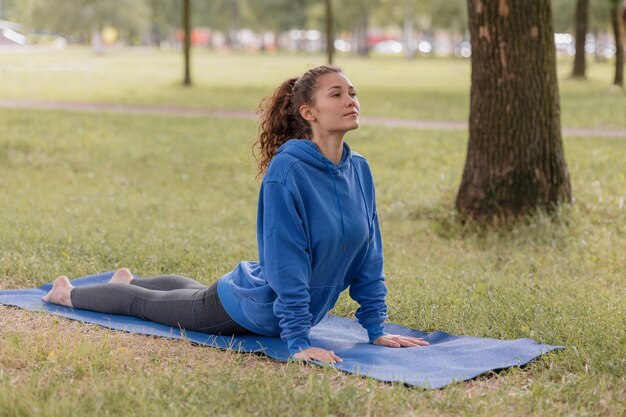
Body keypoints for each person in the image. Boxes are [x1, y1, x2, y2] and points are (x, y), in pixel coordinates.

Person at [42, 65, 429, 364]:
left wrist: (376, 328)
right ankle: (68, 293)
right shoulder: (287, 172)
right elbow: (286, 260)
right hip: (251, 312)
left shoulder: (358, 168)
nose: (351, 100)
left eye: (353, 93)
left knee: (191, 294)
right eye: (337, 94)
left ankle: (129, 278)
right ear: (308, 111)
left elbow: (369, 252)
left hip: (260, 296)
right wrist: (297, 341)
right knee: (142, 305)